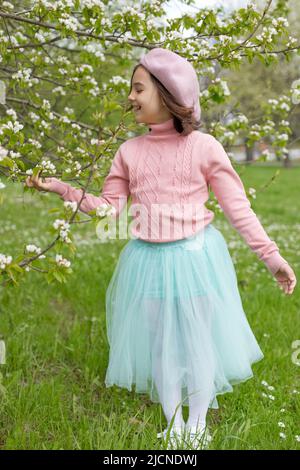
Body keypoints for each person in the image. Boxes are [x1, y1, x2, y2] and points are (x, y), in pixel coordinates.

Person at [26, 47, 297, 450]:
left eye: (138, 88)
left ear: (169, 93)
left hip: (194, 258)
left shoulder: (204, 147)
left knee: (197, 340)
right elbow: (108, 209)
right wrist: (62, 188)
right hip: (147, 261)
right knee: (162, 346)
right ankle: (173, 424)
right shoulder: (129, 152)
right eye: (130, 90)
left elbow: (237, 208)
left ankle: (198, 423)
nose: (130, 97)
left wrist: (271, 256)